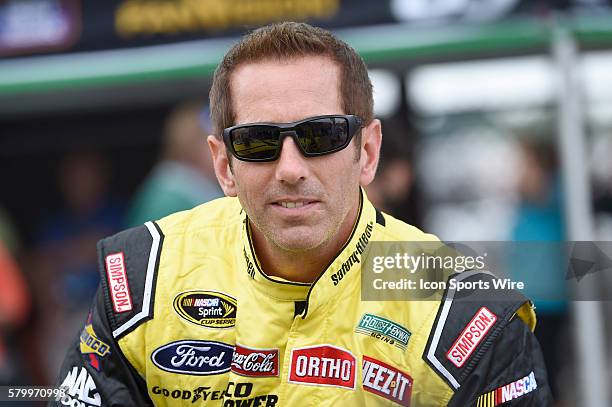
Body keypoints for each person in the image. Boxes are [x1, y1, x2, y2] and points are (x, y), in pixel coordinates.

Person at [52, 22, 551, 406]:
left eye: (321, 137)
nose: (290, 168)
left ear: (369, 153)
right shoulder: (142, 277)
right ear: (224, 166)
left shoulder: (465, 311)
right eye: (259, 142)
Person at [125, 101, 223, 228]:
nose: (223, 149)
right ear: (192, 146)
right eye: (214, 141)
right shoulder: (171, 198)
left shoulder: (193, 188)